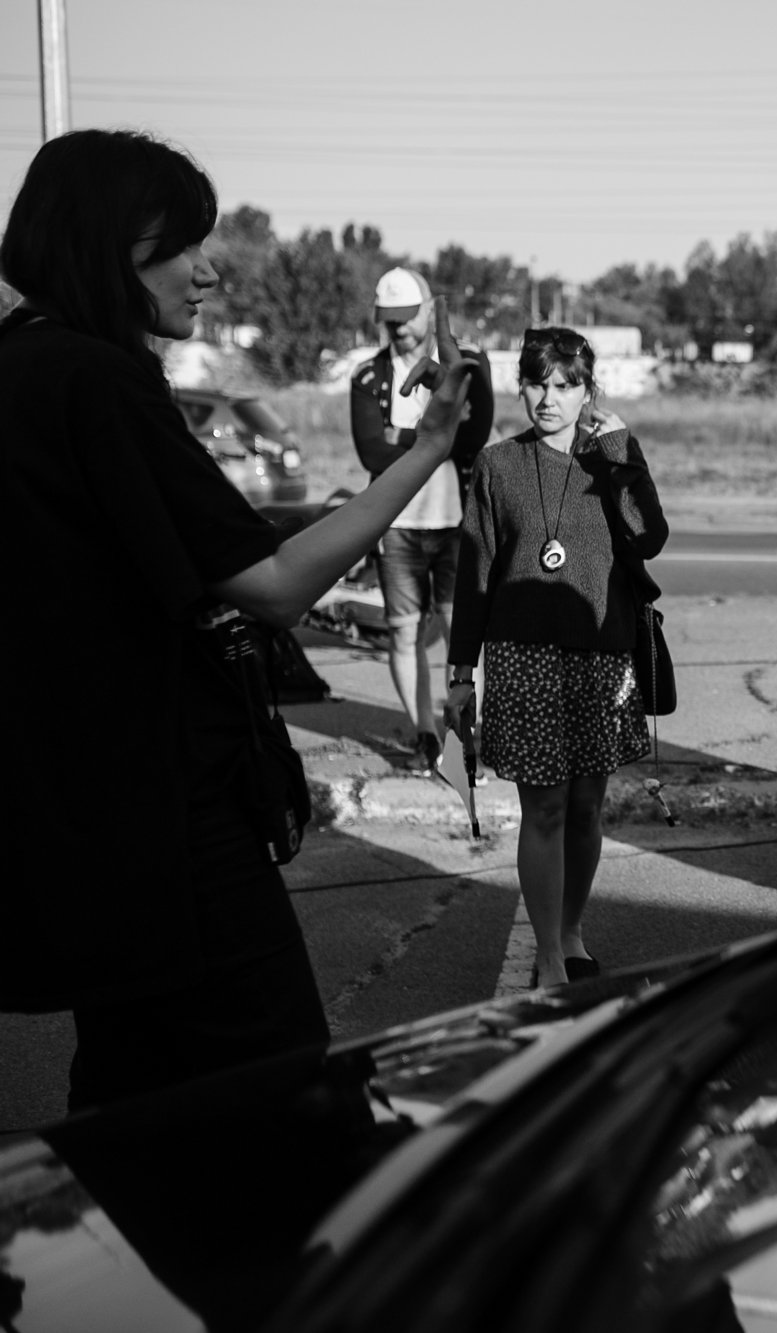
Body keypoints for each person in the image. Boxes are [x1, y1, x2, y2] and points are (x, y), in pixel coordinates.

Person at [0, 129, 477, 1109]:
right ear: (104, 249)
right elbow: (271, 583)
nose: (208, 270)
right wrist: (429, 450)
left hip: (78, 824)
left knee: (131, 1095)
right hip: (168, 825)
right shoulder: (96, 378)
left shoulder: (19, 366)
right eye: (178, 246)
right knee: (282, 1095)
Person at [444, 327, 667, 988]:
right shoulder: (496, 464)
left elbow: (650, 537)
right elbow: (474, 575)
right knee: (543, 808)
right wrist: (460, 674)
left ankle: (571, 931)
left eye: (566, 385)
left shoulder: (611, 458)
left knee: (586, 807)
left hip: (602, 654)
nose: (549, 398)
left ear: (587, 390)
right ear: (520, 386)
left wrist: (621, 451)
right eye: (538, 383)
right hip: (523, 658)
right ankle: (546, 953)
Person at [350, 267, 495, 769]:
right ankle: (425, 736)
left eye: (406, 318)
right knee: (403, 633)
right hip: (396, 526)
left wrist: (403, 435)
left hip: (454, 522)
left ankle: (466, 737)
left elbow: (473, 439)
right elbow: (370, 451)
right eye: (388, 320)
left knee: (460, 637)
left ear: (429, 311)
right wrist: (436, 437)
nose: (397, 328)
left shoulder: (465, 362)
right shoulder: (368, 376)